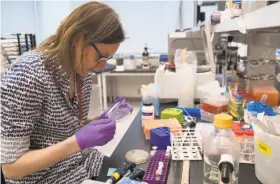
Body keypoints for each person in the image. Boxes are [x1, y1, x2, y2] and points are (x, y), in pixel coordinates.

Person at [1, 2, 124, 183]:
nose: (103, 65)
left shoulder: (81, 73)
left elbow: (64, 129)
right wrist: (78, 142)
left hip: (80, 163)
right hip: (45, 177)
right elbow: (10, 168)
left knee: (136, 172)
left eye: (109, 57)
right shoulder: (28, 75)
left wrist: (96, 123)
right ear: (78, 39)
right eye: (101, 56)